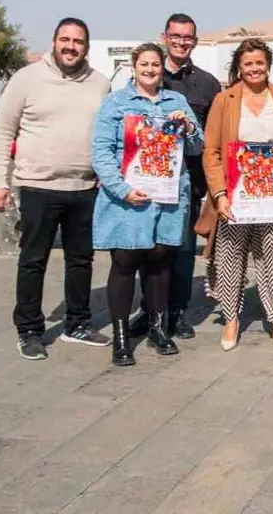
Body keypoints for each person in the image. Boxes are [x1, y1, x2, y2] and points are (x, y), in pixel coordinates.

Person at [0, 17, 112, 360]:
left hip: (85, 188)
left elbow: (109, 135)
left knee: (81, 261)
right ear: (54, 41)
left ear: (87, 46)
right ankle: (29, 330)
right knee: (33, 261)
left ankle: (78, 324)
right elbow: (1, 132)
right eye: (65, 39)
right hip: (38, 187)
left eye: (78, 41)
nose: (71, 46)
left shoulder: (99, 84)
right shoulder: (26, 79)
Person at [90, 43, 203, 366]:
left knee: (159, 262)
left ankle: (157, 327)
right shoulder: (115, 103)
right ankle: (122, 337)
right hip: (128, 199)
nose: (151, 70)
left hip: (166, 197)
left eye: (155, 64)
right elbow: (101, 152)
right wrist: (122, 189)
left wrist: (189, 127)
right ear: (133, 67)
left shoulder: (177, 101)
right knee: (124, 263)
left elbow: (196, 146)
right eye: (145, 64)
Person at [199, 38, 273, 353]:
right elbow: (212, 151)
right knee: (230, 255)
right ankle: (231, 318)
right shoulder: (224, 100)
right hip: (235, 193)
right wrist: (219, 195)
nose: (255, 69)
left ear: (268, 65)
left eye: (259, 63)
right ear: (239, 67)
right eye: (248, 64)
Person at [129, 13, 221, 340]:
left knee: (182, 252)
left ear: (194, 41)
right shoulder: (148, 76)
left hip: (188, 185)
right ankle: (150, 311)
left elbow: (214, 137)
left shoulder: (208, 84)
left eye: (188, 37)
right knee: (148, 250)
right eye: (176, 36)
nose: (181, 42)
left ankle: (177, 313)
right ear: (165, 36)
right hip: (145, 184)